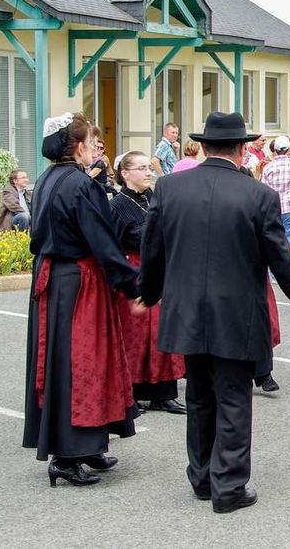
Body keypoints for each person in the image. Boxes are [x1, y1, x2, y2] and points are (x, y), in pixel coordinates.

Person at [140, 111, 290, 514]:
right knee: (232, 398)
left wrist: (147, 292)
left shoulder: (169, 187)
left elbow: (152, 250)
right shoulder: (257, 195)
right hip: (237, 314)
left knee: (198, 396)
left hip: (188, 311)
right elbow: (282, 262)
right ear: (243, 149)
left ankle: (201, 477)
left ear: (204, 146)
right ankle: (227, 486)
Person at [23, 112, 140, 487]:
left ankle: (88, 445)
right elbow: (103, 241)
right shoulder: (80, 184)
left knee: (76, 362)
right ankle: (67, 455)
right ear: (77, 146)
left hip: (56, 277)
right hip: (78, 281)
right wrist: (132, 281)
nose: (94, 148)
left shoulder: (47, 180)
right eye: (91, 142)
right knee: (79, 365)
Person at [110, 151, 186, 414]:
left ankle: (163, 393)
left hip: (158, 267)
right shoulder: (117, 204)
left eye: (148, 168)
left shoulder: (151, 197)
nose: (148, 172)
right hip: (134, 270)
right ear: (125, 173)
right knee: (136, 336)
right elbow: (114, 245)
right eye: (141, 168)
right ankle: (130, 393)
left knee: (161, 332)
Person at [0, 169, 32, 233]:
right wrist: (29, 218)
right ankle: (22, 237)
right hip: (12, 220)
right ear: (15, 181)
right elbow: (14, 206)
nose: (26, 180)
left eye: (26, 177)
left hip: (26, 218)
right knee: (24, 216)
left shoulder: (27, 193)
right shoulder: (8, 191)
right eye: (23, 178)